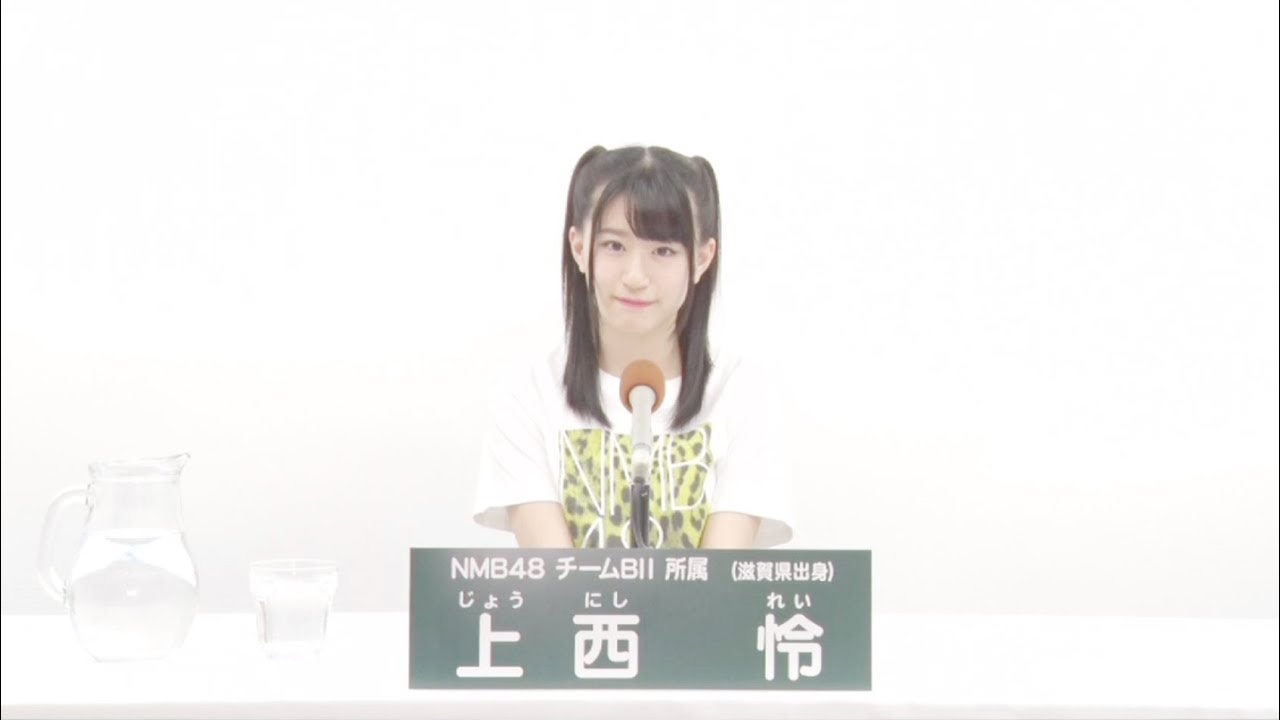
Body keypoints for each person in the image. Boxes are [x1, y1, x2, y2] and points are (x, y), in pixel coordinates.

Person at [472, 145, 793, 549]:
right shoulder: (528, 394)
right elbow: (555, 577)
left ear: (702, 258)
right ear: (579, 247)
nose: (636, 276)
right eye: (614, 246)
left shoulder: (743, 393)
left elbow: (716, 579)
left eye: (663, 251)